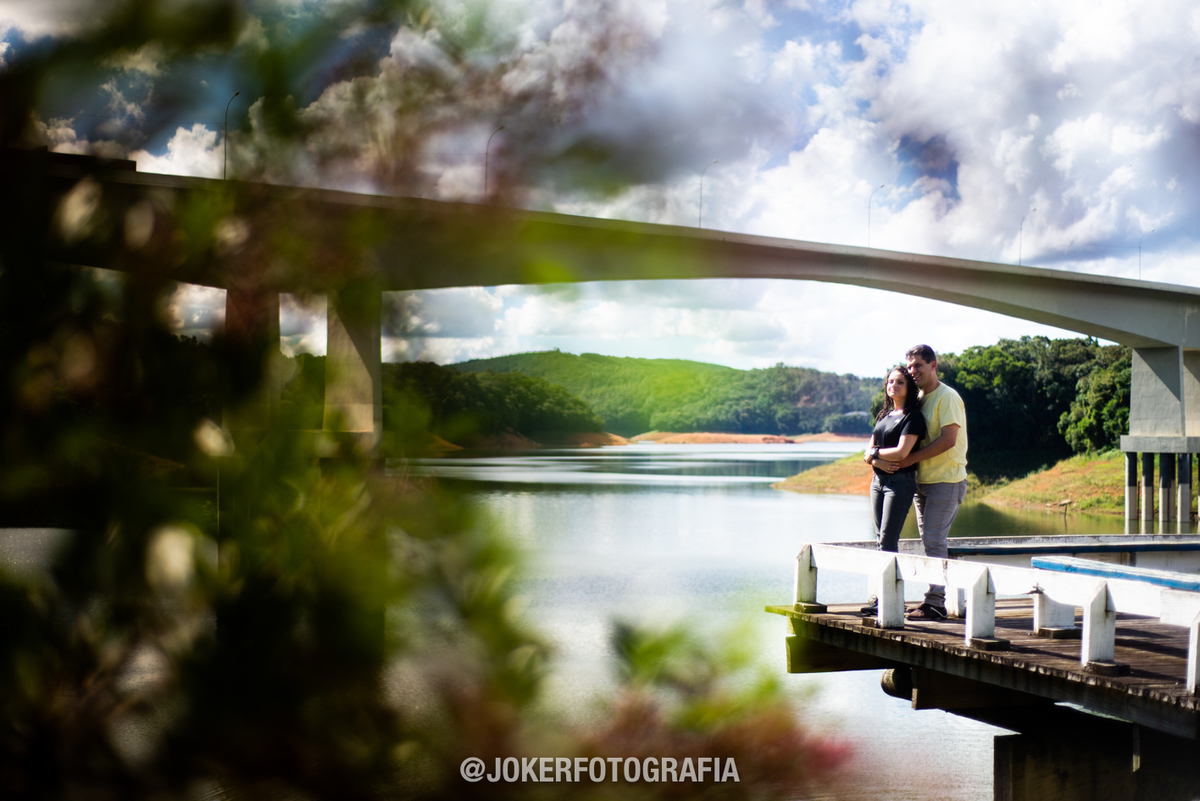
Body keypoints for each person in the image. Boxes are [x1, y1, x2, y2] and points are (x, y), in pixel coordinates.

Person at [877, 344, 969, 620]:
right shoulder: (918, 398)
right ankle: (931, 599)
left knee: (933, 539)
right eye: (910, 365)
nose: (913, 370)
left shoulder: (947, 396)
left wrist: (907, 459)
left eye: (918, 365)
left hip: (947, 480)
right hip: (922, 481)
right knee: (928, 541)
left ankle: (936, 603)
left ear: (933, 366)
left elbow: (948, 440)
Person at [860, 366, 926, 617]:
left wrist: (875, 455)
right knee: (880, 538)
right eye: (890, 382)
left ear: (908, 388)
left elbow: (901, 452)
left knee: (888, 539)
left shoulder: (913, 417)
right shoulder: (884, 416)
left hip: (900, 483)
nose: (893, 386)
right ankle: (884, 596)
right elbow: (867, 452)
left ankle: (888, 599)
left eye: (899, 382)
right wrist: (875, 459)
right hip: (877, 482)